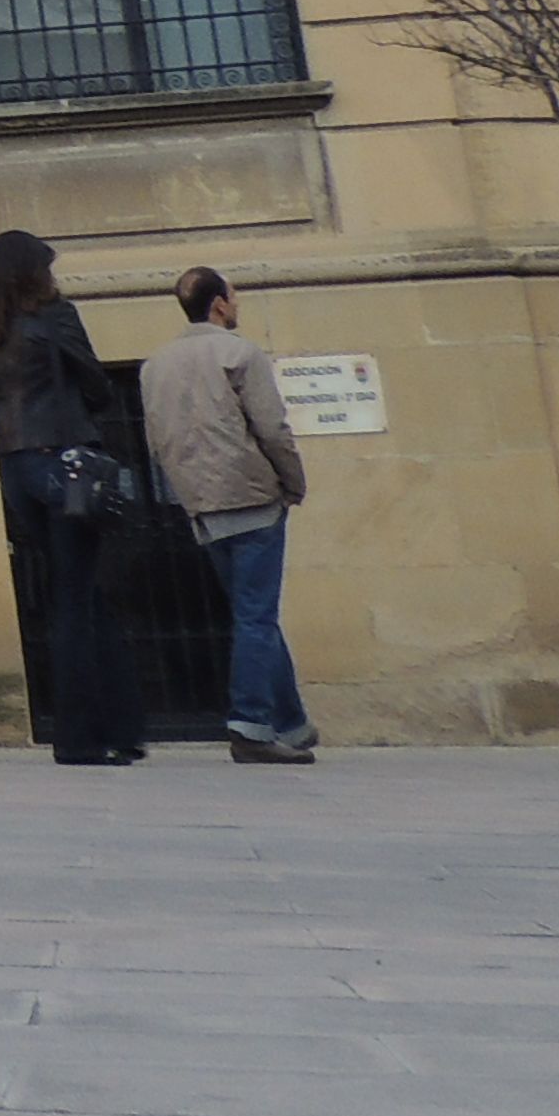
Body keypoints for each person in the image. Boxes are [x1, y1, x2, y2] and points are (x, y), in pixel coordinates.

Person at [0, 227, 146, 766]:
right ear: (35, 272)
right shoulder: (56, 317)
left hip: (16, 467)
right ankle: (79, 739)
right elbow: (96, 385)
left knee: (77, 596)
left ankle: (120, 725)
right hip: (63, 464)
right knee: (77, 602)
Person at [145, 266, 318, 760]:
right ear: (219, 304)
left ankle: (292, 722)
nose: (236, 305)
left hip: (201, 506)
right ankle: (250, 724)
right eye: (233, 297)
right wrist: (293, 483)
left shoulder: (154, 365)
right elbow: (273, 429)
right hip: (253, 500)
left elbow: (157, 443)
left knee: (253, 614)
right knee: (256, 616)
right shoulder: (240, 353)